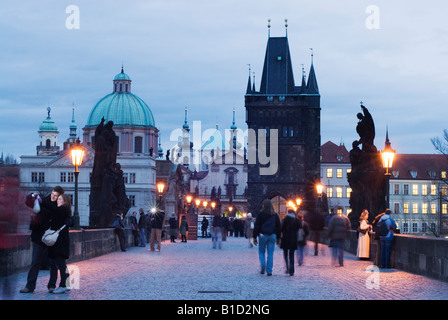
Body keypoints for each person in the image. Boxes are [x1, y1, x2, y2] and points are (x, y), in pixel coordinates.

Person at [20, 186, 64, 294]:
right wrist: (31, 196)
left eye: (56, 196)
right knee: (35, 262)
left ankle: (51, 286)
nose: (53, 196)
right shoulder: (42, 200)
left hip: (52, 238)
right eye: (53, 194)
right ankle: (30, 286)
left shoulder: (58, 206)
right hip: (39, 236)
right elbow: (28, 203)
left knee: (53, 263)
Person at [46, 194, 74, 294]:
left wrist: (41, 201)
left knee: (61, 264)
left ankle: (63, 285)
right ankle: (66, 284)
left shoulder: (62, 209)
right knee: (61, 264)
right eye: (58, 199)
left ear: (65, 201)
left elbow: (52, 208)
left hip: (60, 242)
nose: (58, 201)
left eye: (60, 199)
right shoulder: (64, 211)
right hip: (61, 241)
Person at [253, 199, 281, 276]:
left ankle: (263, 265)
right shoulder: (275, 215)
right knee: (270, 254)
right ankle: (269, 271)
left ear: (263, 205)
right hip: (272, 235)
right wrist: (278, 238)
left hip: (262, 235)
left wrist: (254, 236)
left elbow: (257, 226)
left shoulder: (260, 214)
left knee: (261, 252)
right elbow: (279, 227)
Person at [280, 209, 300, 276]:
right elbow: (300, 227)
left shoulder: (285, 219)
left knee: (285, 254)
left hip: (285, 238)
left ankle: (287, 266)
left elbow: (281, 229)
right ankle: (292, 270)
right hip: (293, 239)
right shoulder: (296, 220)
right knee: (291, 255)